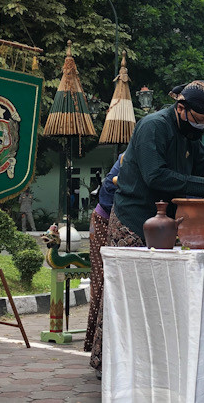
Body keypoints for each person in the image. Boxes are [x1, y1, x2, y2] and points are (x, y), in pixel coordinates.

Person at [89, 80, 204, 374]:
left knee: (156, 293)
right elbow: (155, 176)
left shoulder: (189, 137)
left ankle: (148, 362)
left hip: (168, 225)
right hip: (135, 220)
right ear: (181, 108)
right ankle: (110, 363)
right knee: (129, 291)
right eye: (200, 121)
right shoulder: (152, 126)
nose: (202, 127)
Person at [85, 153, 123, 360]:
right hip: (106, 220)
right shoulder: (128, 157)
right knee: (103, 282)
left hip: (128, 224)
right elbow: (108, 192)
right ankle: (99, 352)